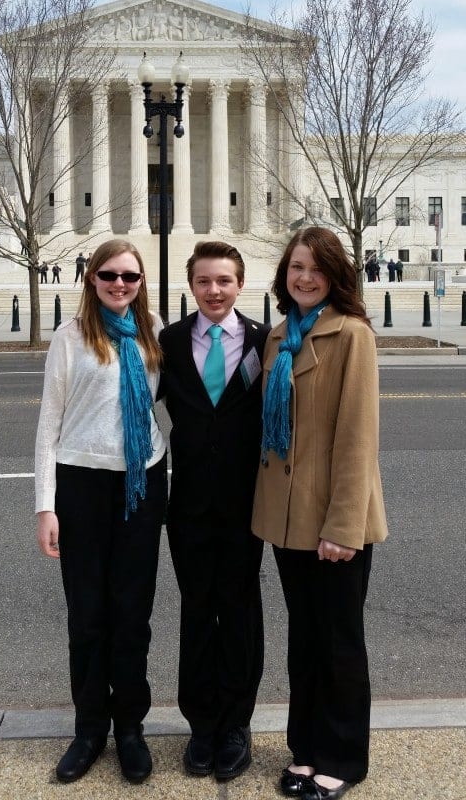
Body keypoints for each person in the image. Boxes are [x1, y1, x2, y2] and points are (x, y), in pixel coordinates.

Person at [252, 227, 388, 800]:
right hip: (287, 520)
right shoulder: (279, 337)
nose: (304, 277)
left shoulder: (351, 334)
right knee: (304, 640)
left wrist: (342, 528)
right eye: (296, 267)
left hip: (335, 522)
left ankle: (343, 757)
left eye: (315, 268)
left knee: (338, 641)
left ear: (335, 276)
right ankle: (305, 749)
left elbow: (357, 440)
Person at [35, 239, 167, 786]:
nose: (120, 284)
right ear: (92, 278)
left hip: (142, 480)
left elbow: (183, 405)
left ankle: (130, 730)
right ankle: (90, 729)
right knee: (87, 616)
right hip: (82, 485)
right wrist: (46, 505)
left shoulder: (156, 334)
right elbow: (49, 424)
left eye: (130, 277)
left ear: (141, 282)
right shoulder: (70, 338)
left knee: (132, 614)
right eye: (109, 275)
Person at [159, 241, 269, 783]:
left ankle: (236, 724)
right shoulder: (171, 343)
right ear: (192, 285)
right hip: (190, 509)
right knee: (196, 612)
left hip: (246, 506)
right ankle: (201, 724)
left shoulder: (263, 343)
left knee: (241, 611)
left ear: (240, 285)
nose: (214, 290)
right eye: (204, 281)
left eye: (224, 281)